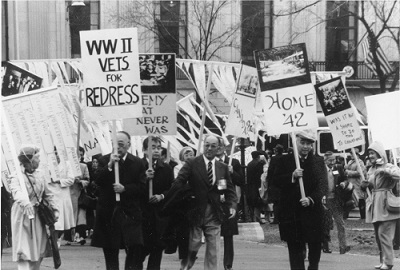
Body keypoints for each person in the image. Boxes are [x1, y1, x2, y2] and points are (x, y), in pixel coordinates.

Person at [172, 135, 237, 270]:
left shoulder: (222, 167)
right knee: (194, 243)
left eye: (213, 146)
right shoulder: (192, 163)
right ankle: (186, 266)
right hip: (195, 211)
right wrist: (187, 193)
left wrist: (232, 206)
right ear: (203, 146)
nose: (209, 148)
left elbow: (229, 190)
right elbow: (178, 182)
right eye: (207, 145)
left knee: (214, 248)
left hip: (214, 213)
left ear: (218, 148)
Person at [91, 131, 147, 270]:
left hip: (130, 213)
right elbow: (97, 181)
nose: (118, 147)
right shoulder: (103, 161)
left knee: (134, 249)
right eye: (115, 144)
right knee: (110, 252)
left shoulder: (137, 162)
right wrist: (110, 165)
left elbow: (142, 187)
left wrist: (125, 189)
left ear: (128, 145)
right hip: (109, 213)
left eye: (121, 144)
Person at [272, 130, 327, 270]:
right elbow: (274, 181)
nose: (305, 146)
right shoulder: (282, 160)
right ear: (295, 142)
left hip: (313, 212)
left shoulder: (318, 161)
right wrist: (292, 176)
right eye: (302, 142)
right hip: (292, 213)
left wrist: (311, 199)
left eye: (309, 143)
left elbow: (323, 186)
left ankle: (313, 267)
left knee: (315, 247)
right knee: (295, 249)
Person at [10, 145, 59, 270]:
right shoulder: (17, 176)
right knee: (24, 250)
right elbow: (16, 192)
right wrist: (25, 202)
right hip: (23, 215)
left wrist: (55, 209)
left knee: (39, 249)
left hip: (38, 215)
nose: (40, 160)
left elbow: (48, 194)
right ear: (29, 160)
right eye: (37, 158)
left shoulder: (40, 175)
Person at [361, 141, 400, 270]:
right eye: (369, 153)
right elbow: (370, 186)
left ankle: (388, 262)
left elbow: (398, 175)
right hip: (374, 204)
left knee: (385, 234)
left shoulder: (389, 166)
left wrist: (385, 170)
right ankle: (383, 260)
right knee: (378, 235)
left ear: (379, 153)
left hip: (386, 202)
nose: (370, 156)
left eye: (372, 153)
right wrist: (364, 186)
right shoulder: (370, 169)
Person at [140, 136, 174, 270]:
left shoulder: (166, 168)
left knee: (157, 249)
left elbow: (171, 188)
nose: (156, 150)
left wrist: (161, 196)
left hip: (158, 216)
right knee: (139, 251)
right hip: (141, 215)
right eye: (152, 147)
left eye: (158, 148)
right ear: (144, 150)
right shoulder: (138, 165)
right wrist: (144, 178)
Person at [216, 138, 244, 270]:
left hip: (228, 202)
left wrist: (233, 172)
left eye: (221, 145)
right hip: (214, 201)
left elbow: (242, 181)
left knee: (228, 235)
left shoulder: (233, 162)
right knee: (212, 234)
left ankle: (227, 264)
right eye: (216, 146)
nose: (219, 148)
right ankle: (213, 263)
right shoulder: (208, 162)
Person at [322, 151, 350, 254]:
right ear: (325, 160)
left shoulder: (338, 168)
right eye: (330, 160)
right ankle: (325, 245)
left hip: (336, 199)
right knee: (326, 223)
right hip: (324, 200)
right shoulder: (321, 170)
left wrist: (344, 183)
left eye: (334, 159)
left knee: (340, 223)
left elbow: (346, 179)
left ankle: (343, 246)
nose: (332, 162)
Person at [47, 147, 75, 248]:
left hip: (63, 195)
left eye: (57, 153)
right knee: (53, 220)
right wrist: (50, 179)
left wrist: (59, 181)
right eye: (53, 153)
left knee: (62, 221)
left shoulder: (66, 164)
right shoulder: (47, 165)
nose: (56, 155)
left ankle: (58, 238)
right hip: (51, 194)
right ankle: (52, 239)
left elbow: (71, 179)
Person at [68, 149, 90, 245]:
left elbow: (87, 181)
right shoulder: (67, 166)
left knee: (80, 217)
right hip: (69, 194)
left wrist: (80, 181)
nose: (78, 157)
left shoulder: (83, 166)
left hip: (80, 195)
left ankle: (79, 235)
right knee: (69, 216)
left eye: (80, 155)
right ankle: (69, 236)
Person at [345, 150, 367, 219]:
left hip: (357, 183)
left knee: (360, 199)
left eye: (352, 154)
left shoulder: (360, 162)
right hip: (350, 183)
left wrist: (348, 172)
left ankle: (363, 216)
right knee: (348, 199)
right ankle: (346, 215)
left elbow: (359, 173)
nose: (351, 155)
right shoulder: (350, 162)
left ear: (357, 155)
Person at [246, 150, 266, 223]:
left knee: (251, 202)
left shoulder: (249, 164)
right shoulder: (259, 164)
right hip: (257, 185)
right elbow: (259, 176)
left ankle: (252, 218)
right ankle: (257, 218)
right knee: (258, 201)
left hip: (250, 185)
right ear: (258, 157)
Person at [267, 144, 284, 224]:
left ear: (276, 151)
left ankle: (276, 219)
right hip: (283, 183)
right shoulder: (284, 158)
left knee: (276, 202)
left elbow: (270, 171)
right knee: (282, 202)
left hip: (274, 183)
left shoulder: (273, 158)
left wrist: (268, 182)